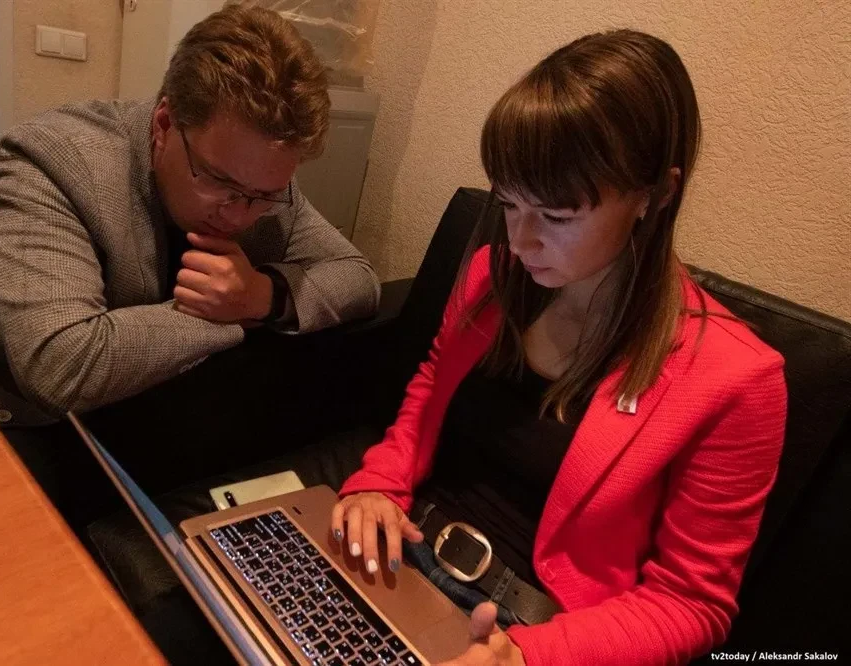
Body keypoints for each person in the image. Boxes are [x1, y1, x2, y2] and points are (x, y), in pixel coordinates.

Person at [331, 29, 787, 665]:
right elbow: (431, 392)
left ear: (656, 195)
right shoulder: (491, 277)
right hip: (399, 556)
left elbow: (691, 604)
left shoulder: (736, 379)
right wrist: (378, 483)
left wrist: (525, 656)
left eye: (557, 215)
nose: (520, 241)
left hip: (530, 631)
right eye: (508, 203)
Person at [0, 6, 380, 524]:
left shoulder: (258, 177)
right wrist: (233, 314)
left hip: (118, 397)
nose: (240, 215)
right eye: (218, 182)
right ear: (164, 124)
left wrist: (263, 296)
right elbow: (60, 366)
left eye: (264, 195)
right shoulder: (50, 160)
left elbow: (358, 278)